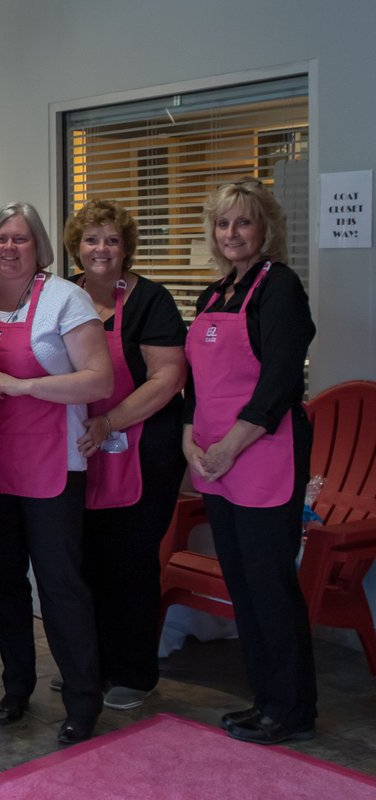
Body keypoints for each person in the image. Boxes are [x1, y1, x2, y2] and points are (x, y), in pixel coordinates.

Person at [0, 201, 113, 745]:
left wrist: (24, 386)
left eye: (21, 239)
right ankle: (16, 686)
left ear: (39, 247)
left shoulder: (64, 299)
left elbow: (99, 381)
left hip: (54, 467)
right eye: (1, 238)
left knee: (59, 586)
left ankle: (82, 699)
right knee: (3, 584)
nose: (9, 247)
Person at [184, 178, 317, 745]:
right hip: (214, 461)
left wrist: (230, 445)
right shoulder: (213, 295)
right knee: (241, 582)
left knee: (269, 584)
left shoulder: (279, 287)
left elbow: (281, 382)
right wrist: (190, 442)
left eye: (244, 221)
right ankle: (264, 699)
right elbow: (194, 384)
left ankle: (292, 710)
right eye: (223, 223)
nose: (232, 233)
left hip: (262, 454)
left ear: (266, 228)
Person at [62, 199, 187, 711]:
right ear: (76, 246)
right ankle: (90, 667)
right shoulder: (64, 295)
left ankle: (134, 673)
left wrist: (110, 421)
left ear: (126, 248)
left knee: (130, 563)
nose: (101, 249)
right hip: (80, 448)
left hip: (142, 447)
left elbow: (168, 377)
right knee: (84, 560)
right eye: (92, 239)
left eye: (112, 240)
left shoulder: (150, 301)